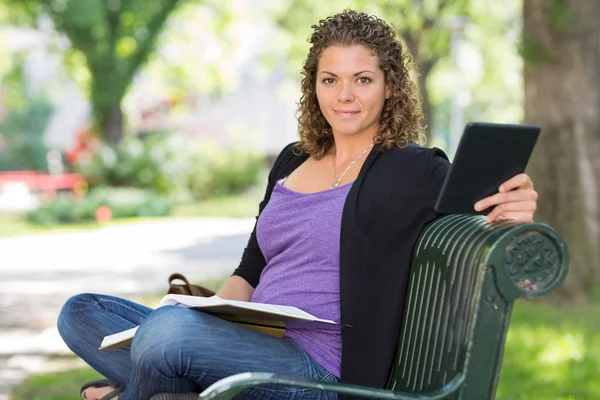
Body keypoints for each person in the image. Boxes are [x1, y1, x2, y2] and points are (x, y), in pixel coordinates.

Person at [58, 9, 538, 400]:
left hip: (316, 369)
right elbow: (252, 267)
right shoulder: (292, 160)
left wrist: (515, 206)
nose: (344, 95)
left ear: (390, 86)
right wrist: (215, 318)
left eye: (363, 80)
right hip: (251, 339)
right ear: (314, 85)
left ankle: (137, 392)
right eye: (330, 80)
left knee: (164, 337)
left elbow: (481, 212)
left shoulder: (414, 169)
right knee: (80, 313)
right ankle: (173, 387)